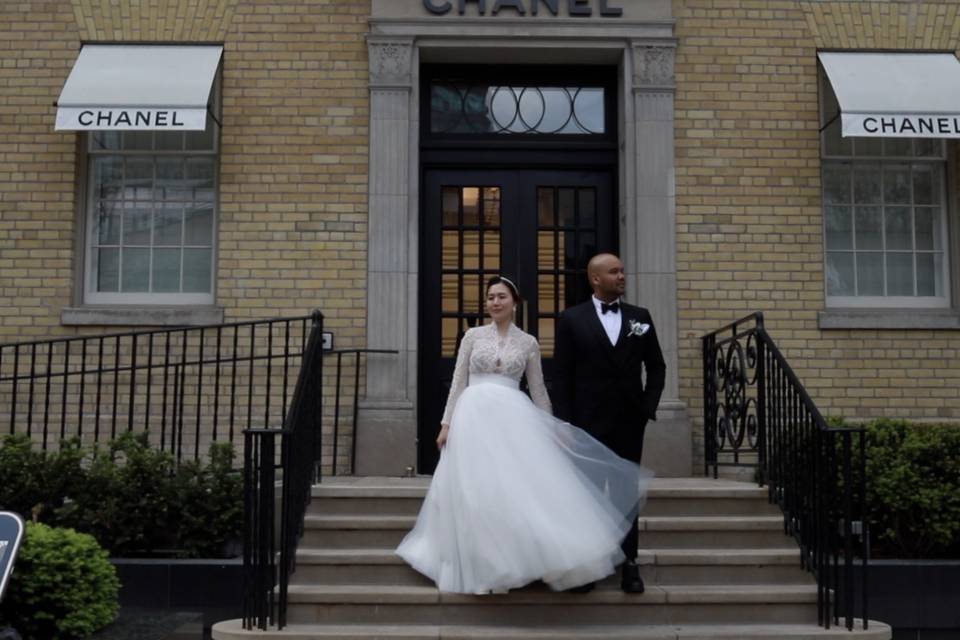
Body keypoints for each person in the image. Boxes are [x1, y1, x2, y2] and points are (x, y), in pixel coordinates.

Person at [396, 276, 651, 595]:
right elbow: (458, 380)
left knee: (511, 488)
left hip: (513, 417)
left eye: (501, 296)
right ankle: (478, 561)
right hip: (472, 415)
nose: (495, 302)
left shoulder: (529, 342)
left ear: (514, 302)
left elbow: (539, 389)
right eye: (490, 297)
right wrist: (446, 424)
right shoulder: (472, 336)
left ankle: (520, 559)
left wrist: (552, 427)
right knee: (474, 488)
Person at [552, 253, 666, 594]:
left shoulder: (639, 317)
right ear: (595, 279)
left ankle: (629, 563)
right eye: (614, 271)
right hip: (586, 424)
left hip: (629, 423)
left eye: (622, 270)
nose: (622, 276)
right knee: (586, 495)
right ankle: (587, 565)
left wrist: (647, 407)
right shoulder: (571, 319)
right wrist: (565, 424)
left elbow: (657, 366)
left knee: (624, 495)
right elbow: (561, 376)